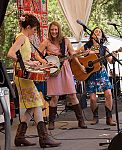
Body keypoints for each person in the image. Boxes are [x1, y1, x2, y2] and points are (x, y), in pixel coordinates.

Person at [7, 13, 61, 148]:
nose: (35, 32)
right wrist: (28, 63)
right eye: (34, 29)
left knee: (32, 107)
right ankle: (44, 138)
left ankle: (20, 137)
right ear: (29, 27)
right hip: (22, 76)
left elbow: (23, 57)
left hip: (24, 75)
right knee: (37, 103)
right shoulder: (22, 37)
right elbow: (10, 54)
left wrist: (35, 63)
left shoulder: (24, 38)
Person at [35, 21, 87, 130]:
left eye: (56, 29)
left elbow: (72, 54)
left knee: (72, 94)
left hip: (65, 68)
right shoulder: (46, 42)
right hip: (53, 71)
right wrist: (44, 62)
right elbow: (36, 55)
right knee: (54, 96)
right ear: (49, 31)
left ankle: (81, 120)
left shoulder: (66, 41)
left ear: (59, 30)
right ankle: (51, 122)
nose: (54, 31)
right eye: (52, 30)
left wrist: (80, 66)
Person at [76, 27, 116, 126]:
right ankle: (95, 117)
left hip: (102, 72)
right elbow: (75, 55)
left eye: (99, 32)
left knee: (109, 94)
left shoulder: (104, 48)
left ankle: (109, 118)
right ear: (92, 35)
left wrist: (113, 56)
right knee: (93, 98)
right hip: (90, 73)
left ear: (102, 36)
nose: (97, 33)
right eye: (95, 31)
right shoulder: (86, 47)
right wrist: (81, 64)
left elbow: (110, 60)